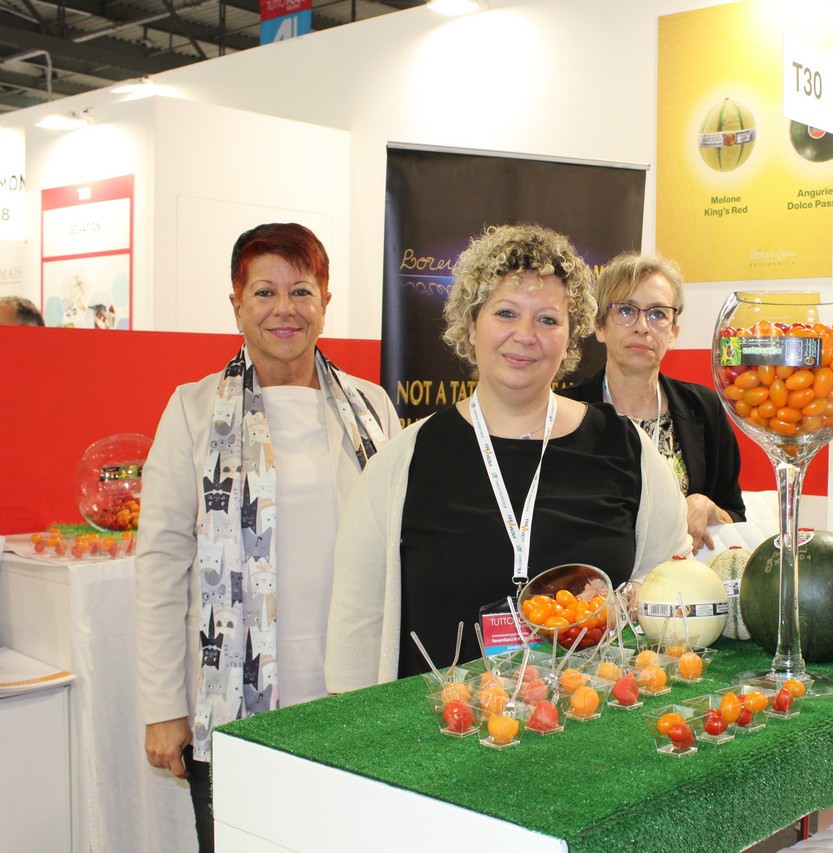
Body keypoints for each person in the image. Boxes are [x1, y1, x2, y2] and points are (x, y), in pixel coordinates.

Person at [324, 224, 691, 686]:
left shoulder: (626, 449)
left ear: (571, 335)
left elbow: (674, 586)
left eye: (548, 320)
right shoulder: (403, 463)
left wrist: (630, 602)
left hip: (591, 723)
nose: (525, 335)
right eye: (505, 313)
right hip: (437, 725)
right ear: (470, 324)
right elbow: (355, 631)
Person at [135, 223, 399, 852]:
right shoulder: (192, 410)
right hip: (233, 697)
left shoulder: (373, 409)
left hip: (351, 691)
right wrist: (163, 707)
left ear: (325, 301)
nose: (285, 308)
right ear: (237, 305)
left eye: (301, 291)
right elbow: (160, 563)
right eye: (264, 292)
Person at [562, 252, 746, 553]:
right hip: (595, 580)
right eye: (625, 310)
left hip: (683, 578)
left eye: (658, 314)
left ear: (673, 333)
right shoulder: (566, 411)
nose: (642, 326)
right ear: (600, 326)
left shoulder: (704, 407)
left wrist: (709, 508)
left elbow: (736, 515)